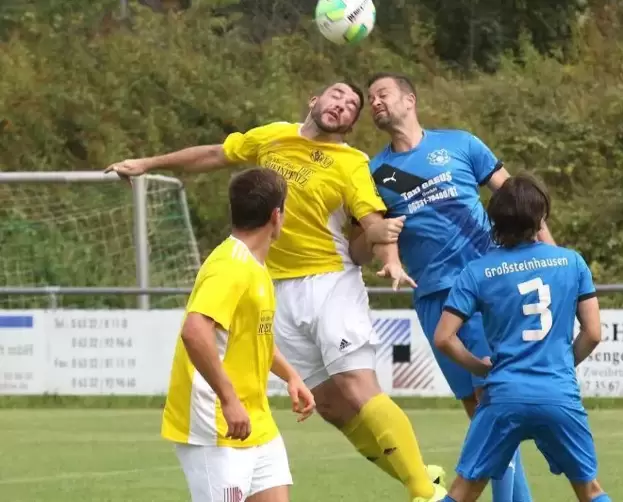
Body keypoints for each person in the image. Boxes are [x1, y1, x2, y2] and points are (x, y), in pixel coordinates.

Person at [105, 81, 447, 502]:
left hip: (330, 281)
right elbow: (214, 154)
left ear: (350, 125)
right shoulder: (271, 136)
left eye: (352, 106)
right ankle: (419, 476)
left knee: (357, 386)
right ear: (314, 100)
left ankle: (424, 494)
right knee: (332, 407)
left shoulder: (350, 161)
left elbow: (373, 219)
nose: (342, 104)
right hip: (276, 289)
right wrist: (146, 162)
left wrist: (388, 250)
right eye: (337, 95)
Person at [365, 72, 556, 502]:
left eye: (383, 94)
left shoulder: (461, 144)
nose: (375, 102)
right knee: (481, 415)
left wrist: (553, 258)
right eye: (370, 98)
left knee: (495, 408)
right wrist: (388, 257)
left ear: (410, 99)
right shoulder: (376, 172)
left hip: (487, 284)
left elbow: (521, 202)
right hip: (433, 297)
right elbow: (375, 232)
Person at [433, 174, 610, 502]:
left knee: (462, 491)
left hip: (504, 395)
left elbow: (444, 337)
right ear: (541, 217)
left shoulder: (478, 271)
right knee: (590, 490)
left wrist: (481, 368)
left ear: (494, 219)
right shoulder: (572, 262)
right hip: (559, 394)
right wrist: (560, 364)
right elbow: (594, 333)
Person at [160, 167, 315, 502]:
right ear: (277, 215)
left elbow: (252, 338)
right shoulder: (229, 265)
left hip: (255, 418)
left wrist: (291, 376)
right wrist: (228, 399)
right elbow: (194, 331)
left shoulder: (255, 266)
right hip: (215, 421)